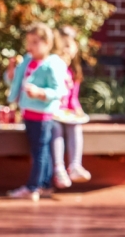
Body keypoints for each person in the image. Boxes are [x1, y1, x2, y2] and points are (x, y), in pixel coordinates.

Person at [6, 23, 68, 202]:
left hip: (42, 115)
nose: (30, 47)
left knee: (39, 152)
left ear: (47, 43)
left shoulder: (51, 65)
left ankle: (32, 187)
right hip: (29, 112)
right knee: (41, 150)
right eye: (29, 42)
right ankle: (46, 184)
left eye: (34, 42)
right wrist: (11, 71)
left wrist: (41, 93)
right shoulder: (27, 61)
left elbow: (59, 90)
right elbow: (15, 81)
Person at [51, 27, 91, 189]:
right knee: (56, 130)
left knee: (75, 126)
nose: (66, 50)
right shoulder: (52, 67)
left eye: (70, 45)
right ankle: (59, 168)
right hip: (52, 111)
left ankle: (75, 165)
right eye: (63, 45)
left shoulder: (73, 71)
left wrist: (77, 110)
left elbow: (73, 97)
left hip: (66, 113)